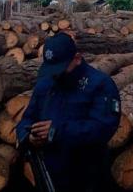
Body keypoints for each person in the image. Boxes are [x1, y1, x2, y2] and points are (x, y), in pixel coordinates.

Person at [16, 32, 121, 192]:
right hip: (48, 174)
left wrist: (58, 131)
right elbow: (27, 119)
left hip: (86, 176)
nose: (56, 75)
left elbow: (103, 128)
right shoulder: (46, 84)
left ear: (77, 59)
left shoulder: (100, 85)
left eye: (61, 69)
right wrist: (28, 136)